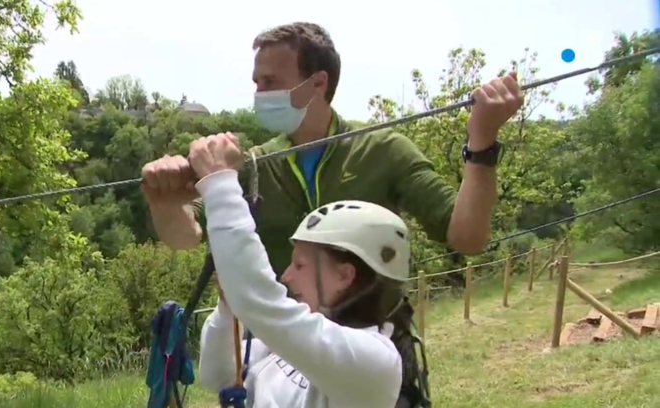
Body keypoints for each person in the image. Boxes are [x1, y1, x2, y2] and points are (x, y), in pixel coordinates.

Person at [141, 22, 524, 277]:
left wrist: (482, 143)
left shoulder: (384, 149)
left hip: (373, 354)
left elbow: (467, 238)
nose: (259, 95)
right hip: (278, 362)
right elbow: (185, 236)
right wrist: (163, 200)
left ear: (318, 82)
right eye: (257, 82)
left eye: (271, 81)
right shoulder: (252, 166)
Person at [188, 133, 425, 408]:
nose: (287, 276)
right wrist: (230, 308)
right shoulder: (289, 342)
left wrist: (220, 184)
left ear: (345, 275)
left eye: (300, 265)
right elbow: (217, 375)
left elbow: (261, 303)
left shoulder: (374, 361)